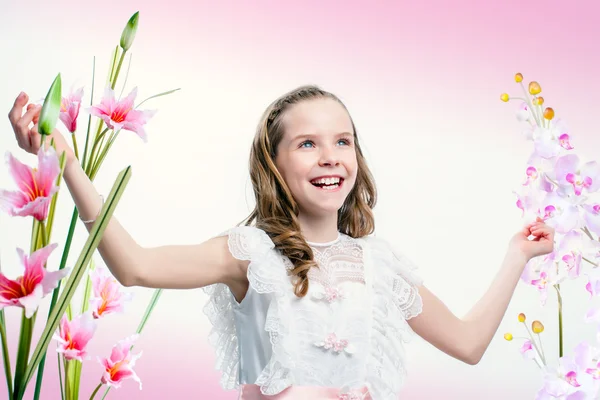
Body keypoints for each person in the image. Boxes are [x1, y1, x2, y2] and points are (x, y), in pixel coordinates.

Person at [7, 85, 554, 400]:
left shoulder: (377, 263)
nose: (329, 156)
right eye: (307, 143)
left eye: (342, 141)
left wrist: (516, 256)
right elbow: (136, 267)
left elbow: (467, 344)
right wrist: (69, 167)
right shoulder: (250, 254)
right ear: (274, 162)